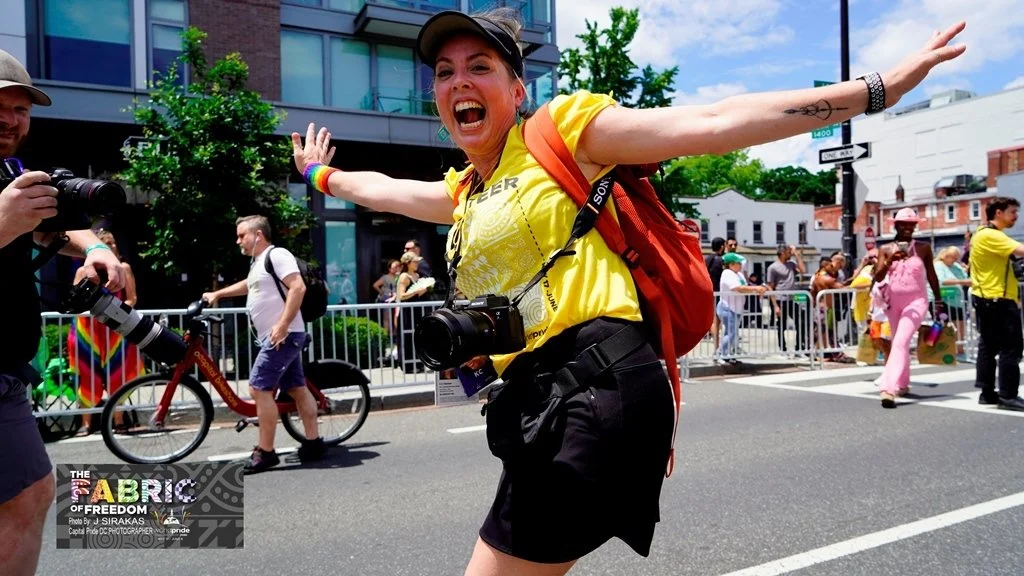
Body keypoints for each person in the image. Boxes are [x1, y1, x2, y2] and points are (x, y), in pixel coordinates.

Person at [288, 8, 965, 571]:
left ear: (517, 90)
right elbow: (387, 190)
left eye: (479, 66)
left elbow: (714, 122)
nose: (458, 81)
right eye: (444, 72)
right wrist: (320, 177)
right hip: (540, 398)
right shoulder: (467, 189)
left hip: (595, 387)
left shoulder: (562, 133)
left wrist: (877, 89)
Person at [0, 49, 126, 576]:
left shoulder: (11, 171)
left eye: (21, 109)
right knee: (29, 495)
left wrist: (94, 247)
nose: (10, 119)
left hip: (8, 369)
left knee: (28, 495)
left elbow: (48, 224)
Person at [201, 215, 326, 473]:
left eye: (242, 235)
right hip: (281, 335)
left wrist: (282, 324)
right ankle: (313, 444)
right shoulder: (259, 263)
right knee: (297, 388)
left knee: (259, 389)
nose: (238, 241)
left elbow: (298, 287)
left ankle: (266, 452)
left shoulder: (277, 255)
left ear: (258, 235)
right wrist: (218, 294)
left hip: (283, 336)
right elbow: (249, 286)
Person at [67, 229, 143, 434]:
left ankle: (118, 421)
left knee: (118, 373)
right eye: (107, 244)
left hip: (115, 329)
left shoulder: (123, 268)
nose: (112, 247)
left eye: (113, 243)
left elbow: (131, 298)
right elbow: (75, 301)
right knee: (86, 375)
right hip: (87, 330)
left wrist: (116, 312)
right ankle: (86, 423)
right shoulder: (83, 271)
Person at [872, 208, 943, 408]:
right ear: (895, 225)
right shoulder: (886, 249)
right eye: (903, 224)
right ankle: (902, 383)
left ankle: (888, 388)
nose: (908, 228)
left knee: (900, 341)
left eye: (911, 225)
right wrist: (889, 261)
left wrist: (938, 301)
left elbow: (931, 275)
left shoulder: (923, 248)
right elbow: (877, 277)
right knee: (898, 342)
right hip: (893, 302)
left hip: (917, 302)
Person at [968, 197, 1024, 411]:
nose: (1016, 216)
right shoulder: (992, 235)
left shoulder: (982, 234)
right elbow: (1021, 250)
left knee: (988, 346)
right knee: (1011, 347)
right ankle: (1008, 395)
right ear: (998, 213)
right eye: (1012, 212)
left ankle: (987, 392)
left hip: (987, 298)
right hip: (997, 298)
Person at [717, 253, 768, 362]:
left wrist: (757, 290)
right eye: (738, 263)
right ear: (731, 264)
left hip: (736, 308)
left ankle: (729, 354)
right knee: (730, 333)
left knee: (734, 334)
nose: (741, 265)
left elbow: (745, 287)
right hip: (728, 307)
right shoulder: (727, 273)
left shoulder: (739, 274)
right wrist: (756, 289)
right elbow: (738, 288)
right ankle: (721, 354)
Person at [929, 246, 971, 357]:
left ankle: (959, 349)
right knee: (939, 323)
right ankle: (930, 346)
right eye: (952, 257)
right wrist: (961, 282)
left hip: (956, 300)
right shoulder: (938, 266)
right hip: (940, 299)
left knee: (960, 323)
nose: (954, 260)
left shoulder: (956, 266)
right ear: (945, 256)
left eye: (956, 258)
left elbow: (965, 277)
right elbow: (942, 281)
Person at [395, 250, 432, 373]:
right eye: (414, 262)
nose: (417, 264)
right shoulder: (404, 276)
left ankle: (419, 363)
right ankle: (408, 365)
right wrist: (416, 291)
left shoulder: (417, 275)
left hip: (417, 311)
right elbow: (402, 295)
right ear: (408, 263)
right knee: (407, 336)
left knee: (417, 336)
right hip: (407, 312)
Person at [767, 244, 807, 355]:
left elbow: (803, 270)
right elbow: (770, 287)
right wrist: (775, 305)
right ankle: (783, 349)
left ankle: (799, 347)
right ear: (782, 253)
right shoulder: (773, 267)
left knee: (800, 322)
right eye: (789, 252)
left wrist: (797, 255)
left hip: (792, 299)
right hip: (780, 299)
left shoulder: (791, 264)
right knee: (782, 325)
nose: (791, 254)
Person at [705, 237, 726, 352]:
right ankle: (718, 347)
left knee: (713, 320)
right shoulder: (721, 260)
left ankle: (716, 346)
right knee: (717, 321)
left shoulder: (707, 259)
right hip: (719, 293)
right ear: (722, 246)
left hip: (709, 292)